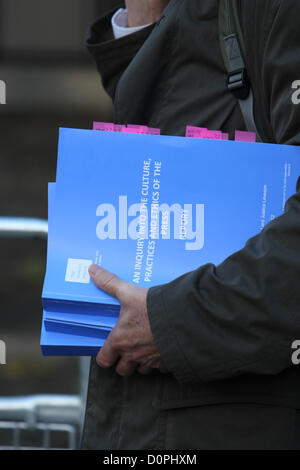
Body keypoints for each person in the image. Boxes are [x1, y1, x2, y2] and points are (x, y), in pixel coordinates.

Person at [81, 0, 300, 450]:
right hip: (157, 412)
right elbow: (161, 123)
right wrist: (144, 14)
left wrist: (172, 324)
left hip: (239, 414)